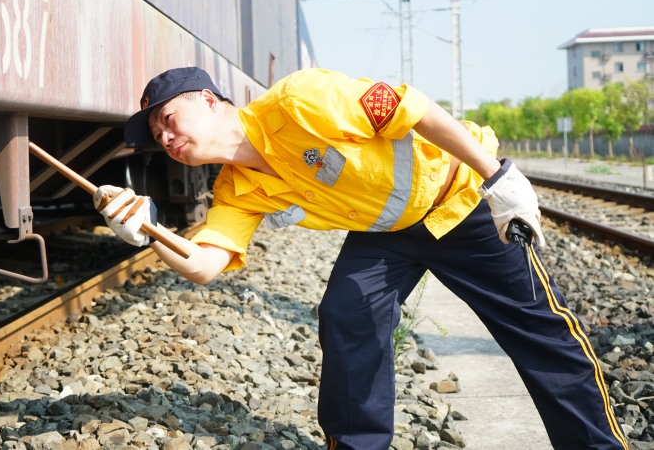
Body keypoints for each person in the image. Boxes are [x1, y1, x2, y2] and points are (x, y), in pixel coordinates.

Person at [93, 66, 628, 450]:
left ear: (208, 100)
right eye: (156, 136)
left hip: (459, 199)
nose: (165, 137)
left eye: (168, 118)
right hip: (388, 234)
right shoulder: (236, 188)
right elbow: (205, 265)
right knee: (347, 314)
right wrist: (146, 232)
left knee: (540, 332)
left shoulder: (298, 101)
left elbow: (414, 109)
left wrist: (498, 177)